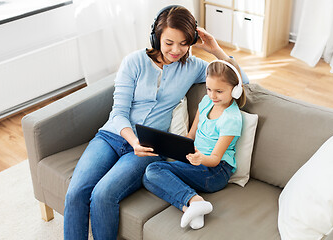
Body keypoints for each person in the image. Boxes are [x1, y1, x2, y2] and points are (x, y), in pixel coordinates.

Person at [64, 5, 249, 240]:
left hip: (150, 147)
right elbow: (118, 112)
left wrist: (215, 49)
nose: (176, 50)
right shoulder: (133, 62)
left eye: (184, 43)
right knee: (76, 193)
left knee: (103, 194)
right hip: (112, 136)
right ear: (156, 37)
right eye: (169, 42)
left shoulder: (192, 68)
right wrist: (132, 141)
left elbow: (241, 82)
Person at [143, 58, 246, 230]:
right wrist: (174, 145)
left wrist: (199, 159)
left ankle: (196, 201)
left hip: (216, 171)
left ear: (235, 90)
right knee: (147, 179)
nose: (212, 95)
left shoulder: (232, 119)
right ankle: (190, 207)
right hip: (196, 161)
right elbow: (191, 135)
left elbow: (214, 159)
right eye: (209, 89)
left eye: (219, 91)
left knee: (153, 170)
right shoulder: (206, 102)